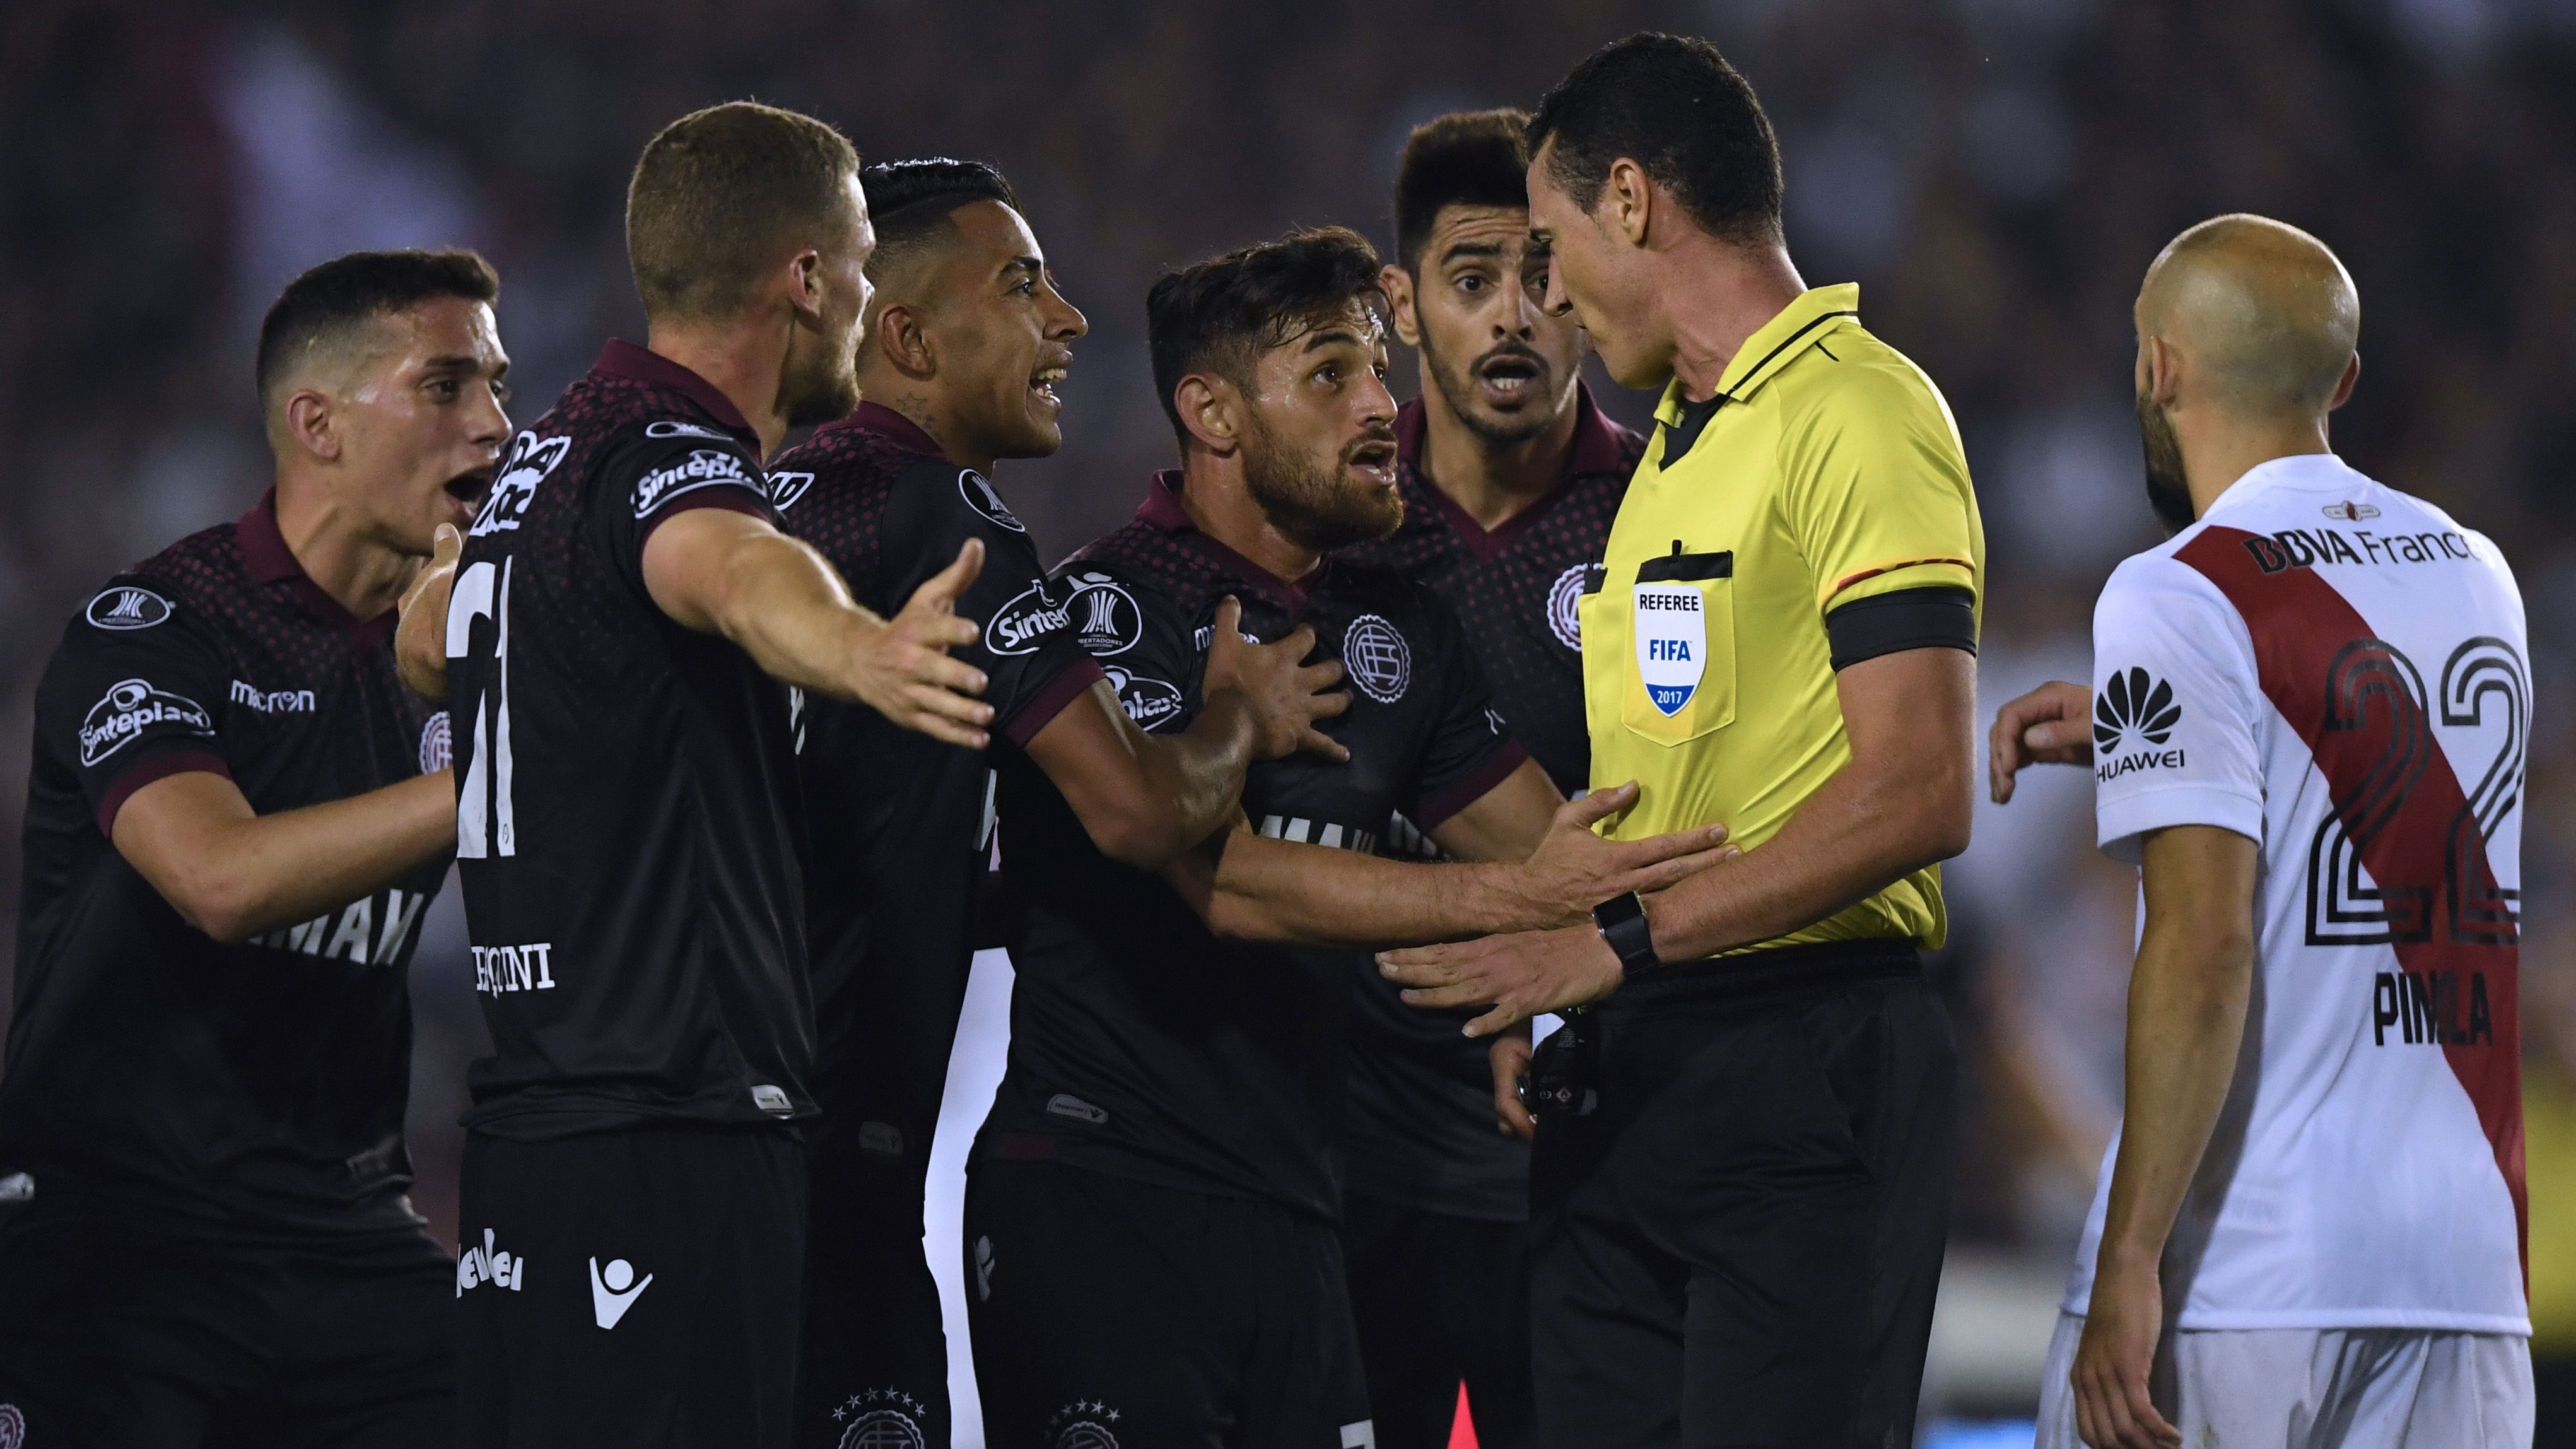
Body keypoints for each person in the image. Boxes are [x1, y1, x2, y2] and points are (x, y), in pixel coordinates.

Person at [960, 226, 1729, 1448]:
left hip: (1305, 1215)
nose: (1383, 404)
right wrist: (1517, 906)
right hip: (1106, 1199)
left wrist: (1734, 867)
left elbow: (1547, 845)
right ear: (1211, 414)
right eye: (1331, 373)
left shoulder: (1394, 623)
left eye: (1378, 367)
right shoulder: (1111, 608)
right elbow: (1223, 887)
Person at [1381, 33, 1985, 1449]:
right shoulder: (1668, 451)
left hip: (1804, 1058)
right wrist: (1573, 991)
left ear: (1635, 204)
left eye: (1552, 246)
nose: (1548, 293)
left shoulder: (1857, 410)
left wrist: (1620, 946)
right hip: (1629, 1069)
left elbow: (1916, 791)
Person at [408, 103, 992, 1449]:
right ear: (801, 278)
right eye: (857, 261)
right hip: (669, 1130)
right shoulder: (670, 465)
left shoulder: (538, 465)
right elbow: (729, 569)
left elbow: (426, 637)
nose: (866, 295)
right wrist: (860, 648)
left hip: (535, 1131)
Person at [767, 157, 1346, 1448]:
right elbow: (1139, 815)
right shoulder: (942, 519)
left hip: (719, 1137)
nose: (1070, 320)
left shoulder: (775, 507)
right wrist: (1235, 715)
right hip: (831, 1169)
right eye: (1023, 287)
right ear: (906, 335)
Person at [1988, 214, 2532, 1449]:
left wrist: (2130, 1258)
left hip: (2249, 1272)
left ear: (2156, 369)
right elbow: (2372, 760)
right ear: (2339, 382)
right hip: (2466, 1270)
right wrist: (2137, 731)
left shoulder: (2175, 589)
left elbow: (2203, 949)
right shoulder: (2476, 573)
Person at [0, 249, 505, 1447]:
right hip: (120, 1242)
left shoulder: (475, 657)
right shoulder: (157, 634)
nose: (494, 424)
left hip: (347, 1237)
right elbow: (219, 879)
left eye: (497, 385)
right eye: (445, 386)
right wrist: (498, 772)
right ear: (316, 423)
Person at [1334, 107, 1644, 1449]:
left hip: (1593, 1152)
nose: (1511, 317)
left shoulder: (1664, 512)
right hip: (1347, 1150)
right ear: (1402, 305)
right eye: (1471, 282)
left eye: (1538, 276)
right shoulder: (1329, 531)